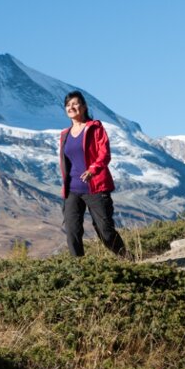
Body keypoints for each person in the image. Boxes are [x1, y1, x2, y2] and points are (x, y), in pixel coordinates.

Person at [59, 90, 127, 258]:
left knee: (105, 231)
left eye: (75, 103)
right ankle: (80, 270)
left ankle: (127, 259)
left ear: (84, 106)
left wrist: (92, 170)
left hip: (95, 187)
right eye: (68, 105)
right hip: (73, 190)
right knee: (72, 232)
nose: (71, 107)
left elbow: (104, 154)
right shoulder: (64, 135)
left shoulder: (95, 128)